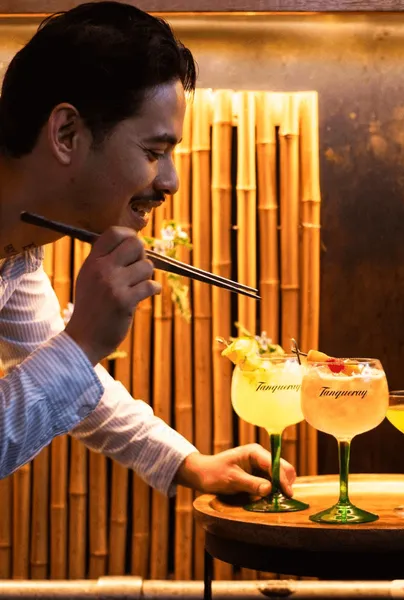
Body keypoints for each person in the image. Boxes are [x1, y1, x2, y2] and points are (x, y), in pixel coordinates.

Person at [0, 1, 296, 500]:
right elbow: (65, 362)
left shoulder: (20, 244)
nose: (170, 182)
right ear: (67, 133)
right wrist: (84, 342)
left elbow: (53, 368)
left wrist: (187, 462)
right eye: (154, 152)